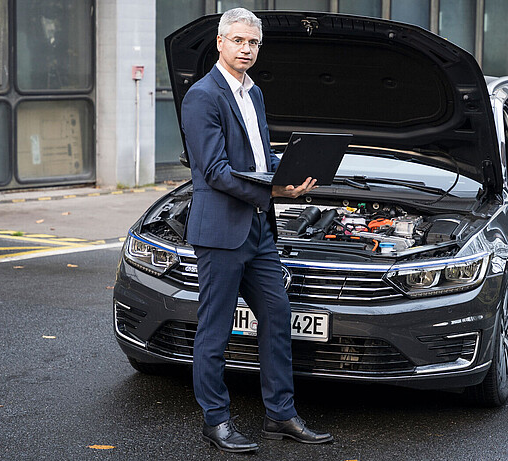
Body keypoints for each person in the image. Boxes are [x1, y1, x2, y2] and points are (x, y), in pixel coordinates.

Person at [179, 8, 333, 453]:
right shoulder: (202, 96)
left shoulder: (255, 93)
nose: (247, 49)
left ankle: (281, 416)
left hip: (259, 230)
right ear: (221, 42)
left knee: (277, 319)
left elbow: (259, 158)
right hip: (221, 231)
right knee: (215, 330)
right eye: (239, 41)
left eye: (254, 43)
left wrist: (289, 177)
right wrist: (275, 192)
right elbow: (213, 170)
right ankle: (216, 421)